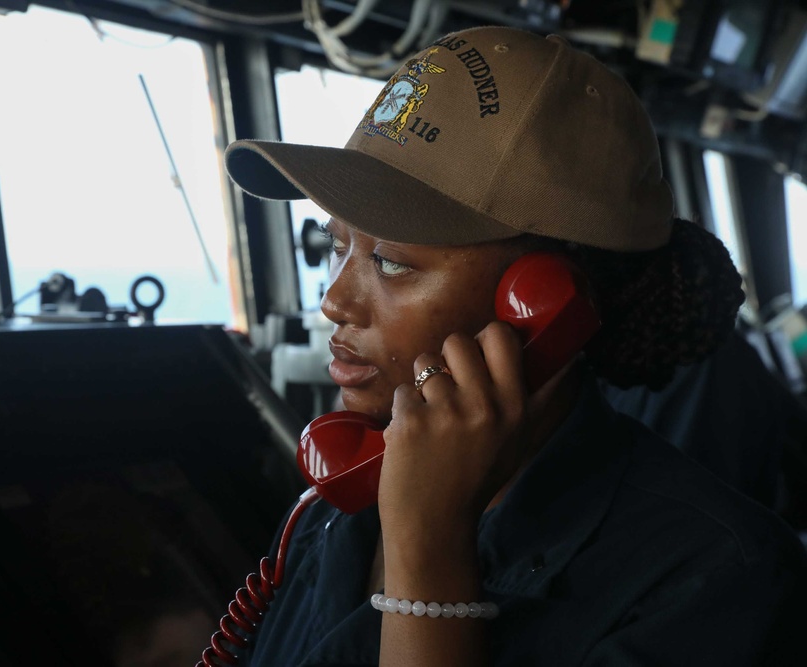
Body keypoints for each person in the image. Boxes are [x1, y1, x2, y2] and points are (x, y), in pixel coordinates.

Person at [223, 25, 807, 666]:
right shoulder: (330, 519)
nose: (334, 301)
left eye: (390, 262)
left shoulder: (717, 578)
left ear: (544, 300)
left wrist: (431, 548)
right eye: (339, 247)